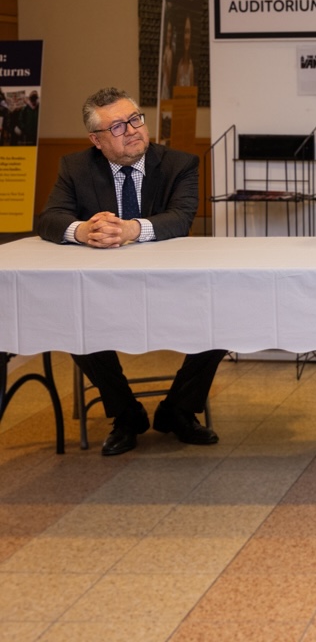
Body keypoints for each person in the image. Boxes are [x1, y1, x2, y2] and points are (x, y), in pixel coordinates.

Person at [35, 87, 224, 456]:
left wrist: (129, 230)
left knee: (223, 318)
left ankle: (179, 409)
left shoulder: (179, 164)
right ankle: (125, 413)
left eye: (135, 119)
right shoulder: (76, 167)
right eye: (118, 127)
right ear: (97, 140)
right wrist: (84, 231)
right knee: (71, 321)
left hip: (171, 284)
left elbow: (181, 218)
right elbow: (50, 218)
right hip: (103, 289)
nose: (133, 130)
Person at [173, 15, 195, 89]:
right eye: (185, 32)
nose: (186, 37)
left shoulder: (192, 67)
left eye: (188, 32)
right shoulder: (179, 65)